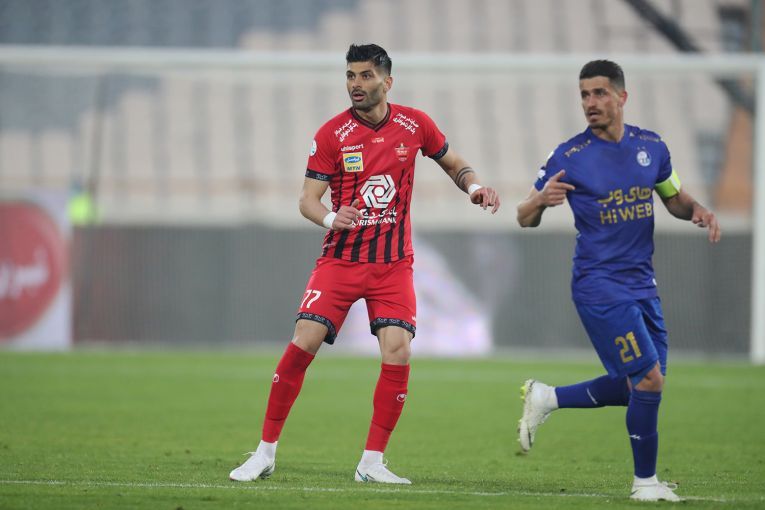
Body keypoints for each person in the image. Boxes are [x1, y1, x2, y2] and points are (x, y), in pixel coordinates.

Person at [229, 43, 500, 485]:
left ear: (387, 82)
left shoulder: (415, 124)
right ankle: (264, 452)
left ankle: (372, 463)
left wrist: (474, 188)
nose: (356, 84)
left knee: (399, 351)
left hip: (393, 265)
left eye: (366, 76)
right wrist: (331, 218)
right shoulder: (331, 135)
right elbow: (307, 200)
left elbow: (454, 164)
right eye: (351, 75)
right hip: (341, 261)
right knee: (303, 342)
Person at [515, 60, 720, 502]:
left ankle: (547, 398)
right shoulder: (568, 156)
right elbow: (523, 216)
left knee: (639, 386)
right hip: (599, 285)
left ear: (622, 96)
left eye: (600, 93)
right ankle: (644, 483)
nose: (590, 102)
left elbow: (674, 198)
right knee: (649, 381)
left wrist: (698, 210)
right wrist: (541, 201)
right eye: (584, 95)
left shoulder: (652, 147)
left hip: (642, 284)